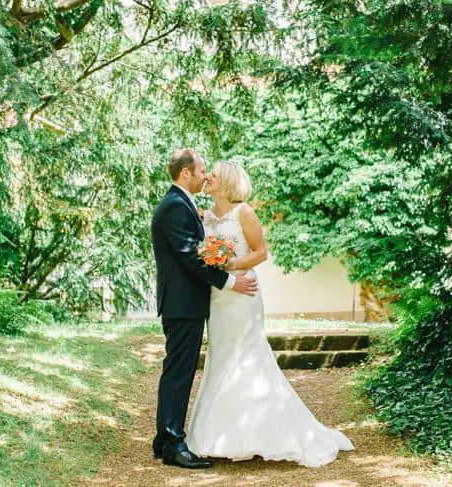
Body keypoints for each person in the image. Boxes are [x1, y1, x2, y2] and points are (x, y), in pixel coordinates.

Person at [185, 161, 354, 467]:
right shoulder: (204, 216)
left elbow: (261, 252)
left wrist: (229, 266)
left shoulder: (244, 212)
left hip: (243, 293)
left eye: (213, 175)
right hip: (217, 297)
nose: (207, 177)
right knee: (221, 356)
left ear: (227, 182)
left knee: (247, 356)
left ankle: (264, 432)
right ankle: (220, 436)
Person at [150, 149, 259, 469]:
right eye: (200, 171)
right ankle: (172, 443)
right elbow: (190, 258)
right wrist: (229, 282)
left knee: (178, 371)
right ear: (186, 173)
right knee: (179, 374)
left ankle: (164, 441)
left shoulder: (181, 205)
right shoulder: (175, 207)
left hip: (185, 304)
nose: (205, 176)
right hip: (183, 305)